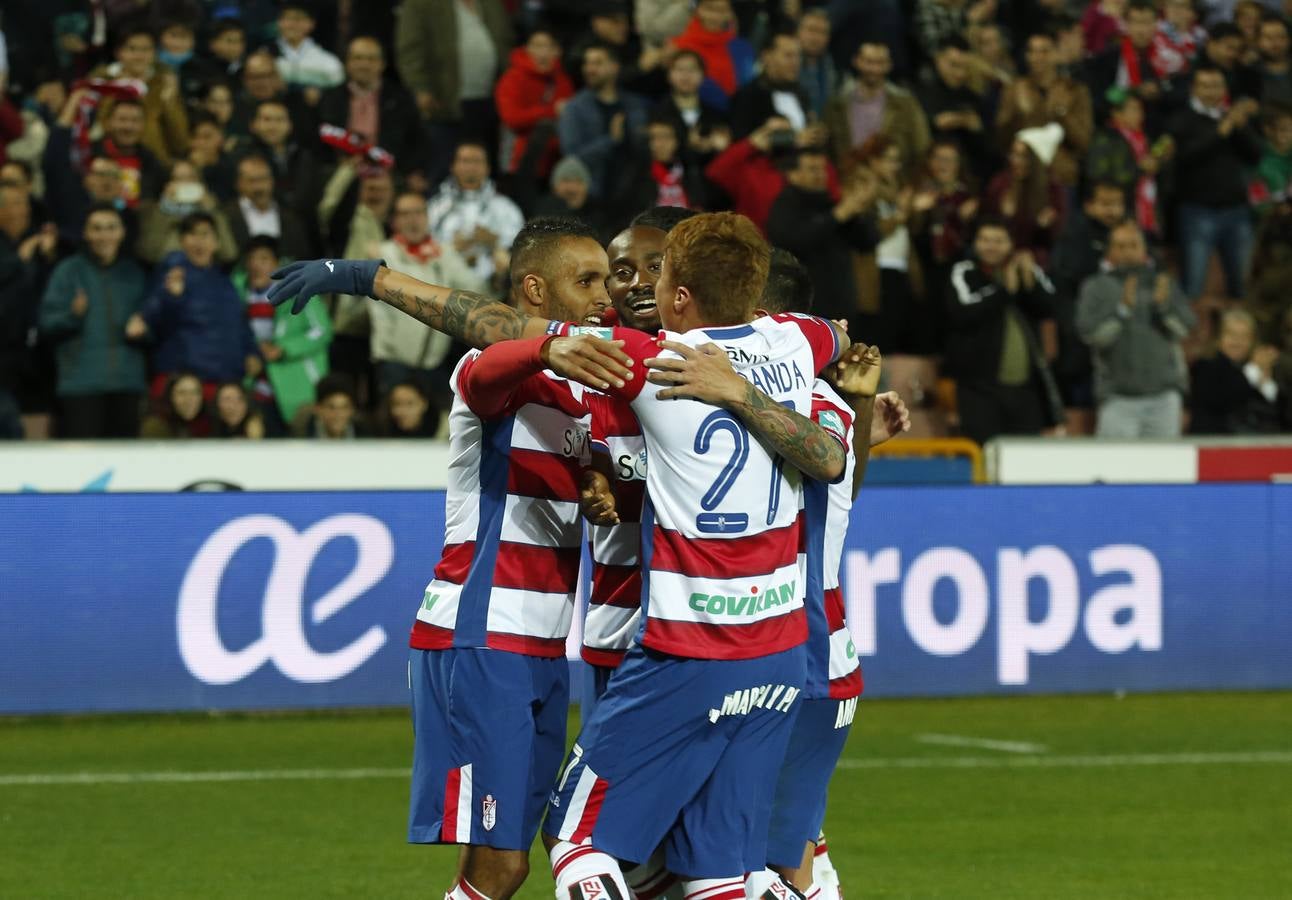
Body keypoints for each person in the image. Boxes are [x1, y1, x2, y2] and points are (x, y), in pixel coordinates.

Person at [538, 212, 851, 900]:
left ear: (679, 298)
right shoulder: (798, 341)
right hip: (779, 651)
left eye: (661, 275)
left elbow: (512, 335)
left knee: (577, 840)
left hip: (690, 649)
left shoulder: (653, 362)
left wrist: (369, 281)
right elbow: (839, 335)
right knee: (718, 872)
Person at [943, 217, 1063, 444]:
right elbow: (962, 313)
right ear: (975, 243)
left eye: (999, 240)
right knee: (983, 456)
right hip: (979, 389)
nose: (991, 246)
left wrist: (1029, 282)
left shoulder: (1026, 270)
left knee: (1025, 459)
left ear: (1011, 244)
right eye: (985, 239)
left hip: (1025, 390)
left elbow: (1051, 307)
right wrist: (1004, 290)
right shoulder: (964, 271)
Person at [1076, 221, 1196, 438]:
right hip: (1118, 398)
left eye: (1133, 245)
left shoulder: (1164, 283)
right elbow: (1093, 337)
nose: (1127, 252)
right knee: (1116, 469)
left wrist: (1164, 308)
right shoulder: (1095, 287)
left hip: (1164, 397)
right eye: (1120, 246)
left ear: (1143, 250)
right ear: (1109, 251)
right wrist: (1122, 310)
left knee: (1166, 469)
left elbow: (1184, 330)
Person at [38, 203, 147, 438]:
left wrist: (144, 330)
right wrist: (73, 317)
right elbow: (46, 324)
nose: (104, 235)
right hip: (80, 386)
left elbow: (153, 324)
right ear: (86, 233)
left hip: (127, 385)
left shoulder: (134, 274)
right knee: (83, 467)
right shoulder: (67, 271)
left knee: (127, 466)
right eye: (96, 228)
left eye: (111, 228)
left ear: (122, 232)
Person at [372, 191, 487, 406]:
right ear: (395, 220)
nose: (412, 219)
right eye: (405, 214)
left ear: (427, 217)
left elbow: (475, 290)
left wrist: (497, 275)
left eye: (418, 213)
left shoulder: (443, 253)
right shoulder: (382, 253)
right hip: (393, 364)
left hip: (433, 366)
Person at [136, 212, 259, 392]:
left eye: (205, 234)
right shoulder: (170, 274)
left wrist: (251, 353)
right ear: (182, 241)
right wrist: (173, 297)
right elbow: (150, 323)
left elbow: (240, 324)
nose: (199, 241)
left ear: (216, 242)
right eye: (192, 234)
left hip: (226, 383)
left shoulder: (226, 282)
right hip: (186, 385)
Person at [1171, 64, 1262, 300]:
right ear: (1194, 89)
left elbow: (1254, 156)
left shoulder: (1231, 118)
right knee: (1193, 287)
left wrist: (1241, 128)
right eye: (1206, 86)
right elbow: (1186, 158)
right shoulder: (1182, 119)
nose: (1212, 92)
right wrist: (1221, 132)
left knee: (1243, 286)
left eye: (1217, 86)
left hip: (1237, 211)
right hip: (1198, 212)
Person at [395, 0, 513, 181]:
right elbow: (410, 49)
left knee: (485, 168)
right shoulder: (421, 4)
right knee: (442, 167)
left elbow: (506, 42)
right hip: (443, 101)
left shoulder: (492, 4)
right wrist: (420, 87)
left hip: (489, 101)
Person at [1050, 180, 1130, 435]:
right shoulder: (1074, 237)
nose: (1112, 210)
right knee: (1080, 398)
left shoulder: (1131, 235)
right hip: (1080, 336)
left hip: (1120, 339)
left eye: (1117, 204)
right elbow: (1069, 280)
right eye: (1105, 204)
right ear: (1089, 206)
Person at [766, 147, 879, 324]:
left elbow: (867, 242)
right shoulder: (784, 205)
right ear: (793, 174)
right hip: (804, 305)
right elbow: (791, 240)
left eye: (822, 169)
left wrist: (859, 213)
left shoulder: (832, 203)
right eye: (812, 169)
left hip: (842, 300)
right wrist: (837, 216)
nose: (820, 175)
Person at [235, 236, 331, 429]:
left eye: (263, 259)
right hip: (254, 389)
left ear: (277, 264)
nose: (256, 265)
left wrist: (284, 349)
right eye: (252, 259)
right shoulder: (237, 293)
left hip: (298, 389)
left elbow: (323, 330)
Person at [318, 36, 427, 181]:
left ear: (382, 64)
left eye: (371, 59)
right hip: (341, 173)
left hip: (389, 175)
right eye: (358, 58)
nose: (364, 65)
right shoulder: (330, 98)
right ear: (348, 63)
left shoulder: (401, 99)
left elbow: (416, 141)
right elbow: (319, 141)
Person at [994, 29, 1093, 190]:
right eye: (1031, 51)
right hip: (1023, 178)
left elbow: (1084, 142)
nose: (1037, 57)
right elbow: (1001, 140)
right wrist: (1018, 115)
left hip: (1061, 176)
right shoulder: (1013, 90)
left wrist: (1063, 115)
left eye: (1044, 51)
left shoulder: (1074, 90)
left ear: (1056, 54)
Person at [826, 42, 931, 182]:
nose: (875, 69)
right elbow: (828, 150)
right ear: (857, 61)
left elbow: (922, 148)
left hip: (894, 187)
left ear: (889, 65)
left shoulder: (906, 105)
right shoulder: (837, 105)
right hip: (849, 186)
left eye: (880, 63)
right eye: (869, 62)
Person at [426, 141, 525, 289]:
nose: (471, 167)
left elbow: (522, 248)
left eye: (477, 161)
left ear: (487, 168)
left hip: (493, 290)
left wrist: (495, 241)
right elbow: (422, 244)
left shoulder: (506, 208)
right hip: (443, 285)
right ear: (453, 166)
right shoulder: (436, 207)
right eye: (465, 161)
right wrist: (450, 249)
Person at [557, 43, 650, 199]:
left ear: (614, 67)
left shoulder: (636, 105)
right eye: (587, 63)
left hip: (636, 193)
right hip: (595, 195)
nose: (589, 69)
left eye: (598, 63)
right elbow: (572, 156)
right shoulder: (574, 108)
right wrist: (610, 140)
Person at [91, 24, 189, 167]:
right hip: (107, 165)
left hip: (155, 166)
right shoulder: (100, 82)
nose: (139, 56)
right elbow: (93, 129)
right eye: (132, 49)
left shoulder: (164, 84)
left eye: (146, 49)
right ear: (119, 52)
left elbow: (180, 142)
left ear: (155, 53)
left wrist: (169, 102)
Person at [1085, 91, 1171, 237]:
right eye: (1134, 109)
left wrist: (1162, 162)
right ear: (1116, 113)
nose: (1140, 114)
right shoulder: (1105, 139)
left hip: (1148, 212)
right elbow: (1099, 176)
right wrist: (1140, 169)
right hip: (1117, 213)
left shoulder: (1145, 140)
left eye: (1140, 109)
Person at [493, 26, 574, 178]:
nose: (542, 52)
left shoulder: (563, 81)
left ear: (557, 51)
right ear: (527, 49)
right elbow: (512, 118)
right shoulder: (512, 79)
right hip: (519, 162)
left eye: (548, 46)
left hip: (556, 163)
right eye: (537, 46)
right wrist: (550, 112)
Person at [982, 125, 1067, 264]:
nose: (1014, 160)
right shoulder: (999, 183)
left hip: (1029, 256)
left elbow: (1051, 242)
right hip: (994, 249)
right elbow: (985, 220)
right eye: (1013, 154)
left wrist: (1043, 228)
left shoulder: (1052, 191)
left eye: (1023, 156)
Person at [1190, 308, 1282, 433]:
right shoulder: (1205, 366)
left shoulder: (1259, 365)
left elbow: (1278, 412)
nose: (1237, 341)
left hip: (1259, 443)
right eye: (1231, 334)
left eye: (1244, 336)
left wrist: (1265, 381)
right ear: (1218, 338)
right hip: (1215, 443)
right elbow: (1224, 400)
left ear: (1253, 341)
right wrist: (1254, 370)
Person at [917, 36, 992, 183]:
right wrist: (934, 123)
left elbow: (986, 151)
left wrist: (977, 129)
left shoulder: (973, 99)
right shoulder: (919, 95)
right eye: (953, 65)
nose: (960, 74)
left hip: (965, 179)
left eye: (965, 67)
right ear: (938, 59)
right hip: (926, 176)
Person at [136, 159, 238, 266]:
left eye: (191, 178)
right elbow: (149, 254)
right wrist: (164, 210)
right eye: (178, 179)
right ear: (167, 184)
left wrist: (212, 210)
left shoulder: (212, 210)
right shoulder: (153, 211)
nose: (185, 183)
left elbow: (229, 253)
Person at [222, 154, 314, 261]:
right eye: (252, 181)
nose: (259, 187)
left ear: (272, 181)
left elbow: (303, 255)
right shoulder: (225, 215)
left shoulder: (291, 217)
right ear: (239, 184)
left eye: (263, 179)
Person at [728, 29, 814, 142]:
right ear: (766, 57)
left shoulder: (802, 93)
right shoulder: (748, 96)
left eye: (798, 56)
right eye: (788, 56)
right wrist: (790, 139)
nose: (796, 62)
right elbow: (741, 143)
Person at [611, 117, 708, 212]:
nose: (658, 144)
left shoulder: (691, 171)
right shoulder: (638, 173)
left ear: (678, 141)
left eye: (665, 137)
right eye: (653, 138)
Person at [668, 0, 755, 105]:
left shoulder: (743, 49)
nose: (714, 16)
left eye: (722, 11)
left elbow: (746, 89)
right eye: (709, 9)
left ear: (731, 14)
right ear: (698, 9)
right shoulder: (677, 46)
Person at [273, 3, 344, 98]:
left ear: (311, 23)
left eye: (298, 19)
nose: (292, 24)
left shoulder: (328, 61)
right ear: (279, 22)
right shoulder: (265, 54)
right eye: (287, 18)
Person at [140, 370, 210, 438]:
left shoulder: (210, 423)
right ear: (170, 397)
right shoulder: (155, 427)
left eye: (195, 392)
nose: (189, 399)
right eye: (182, 393)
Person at [797, 9, 839, 121]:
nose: (816, 38)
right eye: (811, 30)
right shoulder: (785, 62)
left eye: (822, 32)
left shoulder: (834, 70)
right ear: (798, 31)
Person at [297, 371, 366, 438]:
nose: (338, 414)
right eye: (331, 407)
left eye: (344, 407)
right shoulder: (299, 439)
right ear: (317, 409)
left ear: (352, 410)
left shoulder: (365, 438)